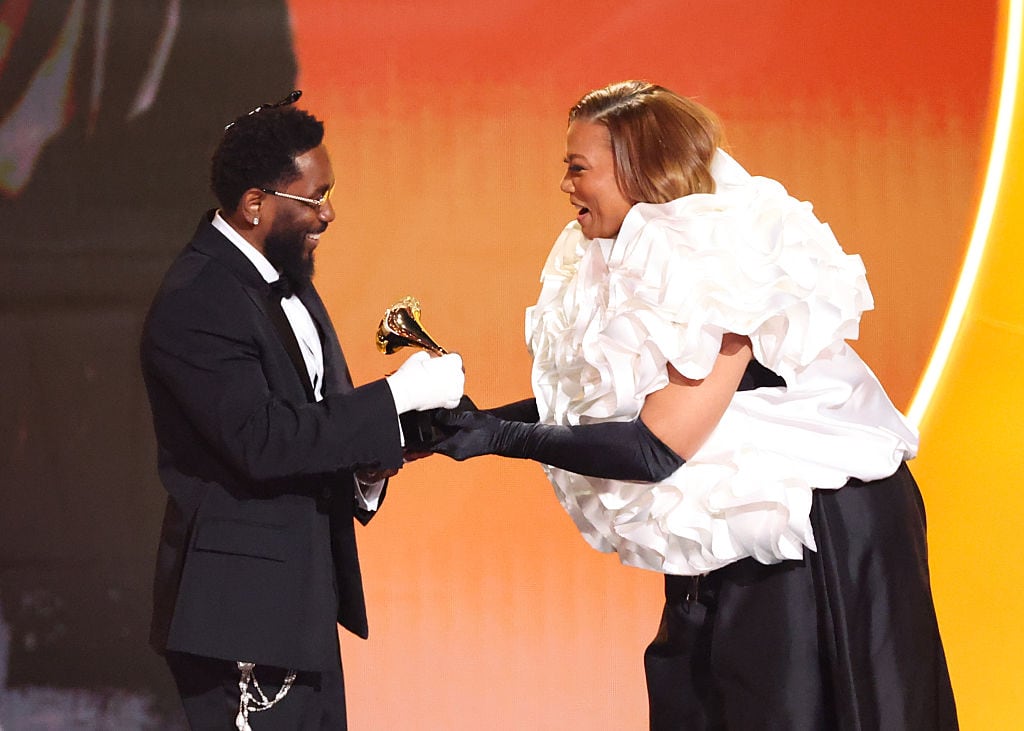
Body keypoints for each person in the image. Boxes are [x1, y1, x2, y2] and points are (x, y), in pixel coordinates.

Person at [433, 80, 957, 729]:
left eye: (577, 166)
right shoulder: (623, 255)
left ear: (637, 168)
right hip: (736, 524)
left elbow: (655, 446)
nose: (565, 184)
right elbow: (616, 410)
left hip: (807, 523)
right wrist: (481, 420)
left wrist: (498, 437)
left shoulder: (719, 258)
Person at [140, 92, 465, 730]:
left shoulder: (283, 278)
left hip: (299, 609)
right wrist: (395, 395)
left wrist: (376, 461)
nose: (329, 213)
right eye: (314, 198)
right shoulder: (198, 299)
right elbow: (262, 441)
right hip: (241, 622)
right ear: (255, 202)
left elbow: (314, 423)